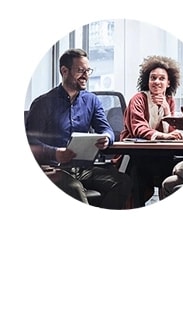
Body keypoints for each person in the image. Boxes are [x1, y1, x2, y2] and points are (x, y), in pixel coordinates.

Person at [25, 48, 132, 209]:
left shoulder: (92, 101)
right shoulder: (43, 103)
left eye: (88, 70)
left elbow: (107, 129)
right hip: (52, 169)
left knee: (124, 182)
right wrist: (55, 153)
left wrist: (106, 138)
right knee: (74, 188)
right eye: (80, 70)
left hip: (83, 168)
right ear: (64, 71)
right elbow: (29, 142)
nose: (86, 75)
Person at [119, 55, 183, 207]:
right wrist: (163, 135)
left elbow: (172, 132)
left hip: (160, 154)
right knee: (139, 174)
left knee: (173, 170)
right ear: (147, 80)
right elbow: (138, 128)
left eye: (162, 78)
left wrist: (167, 110)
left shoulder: (169, 100)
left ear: (169, 82)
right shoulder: (138, 99)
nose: (157, 82)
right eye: (153, 78)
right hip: (136, 155)